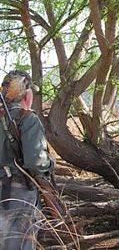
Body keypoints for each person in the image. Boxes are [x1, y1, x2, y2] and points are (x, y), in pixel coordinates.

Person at [0, 70, 53, 249]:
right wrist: (49, 164)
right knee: (20, 242)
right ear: (26, 94)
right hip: (18, 191)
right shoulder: (27, 118)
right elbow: (35, 162)